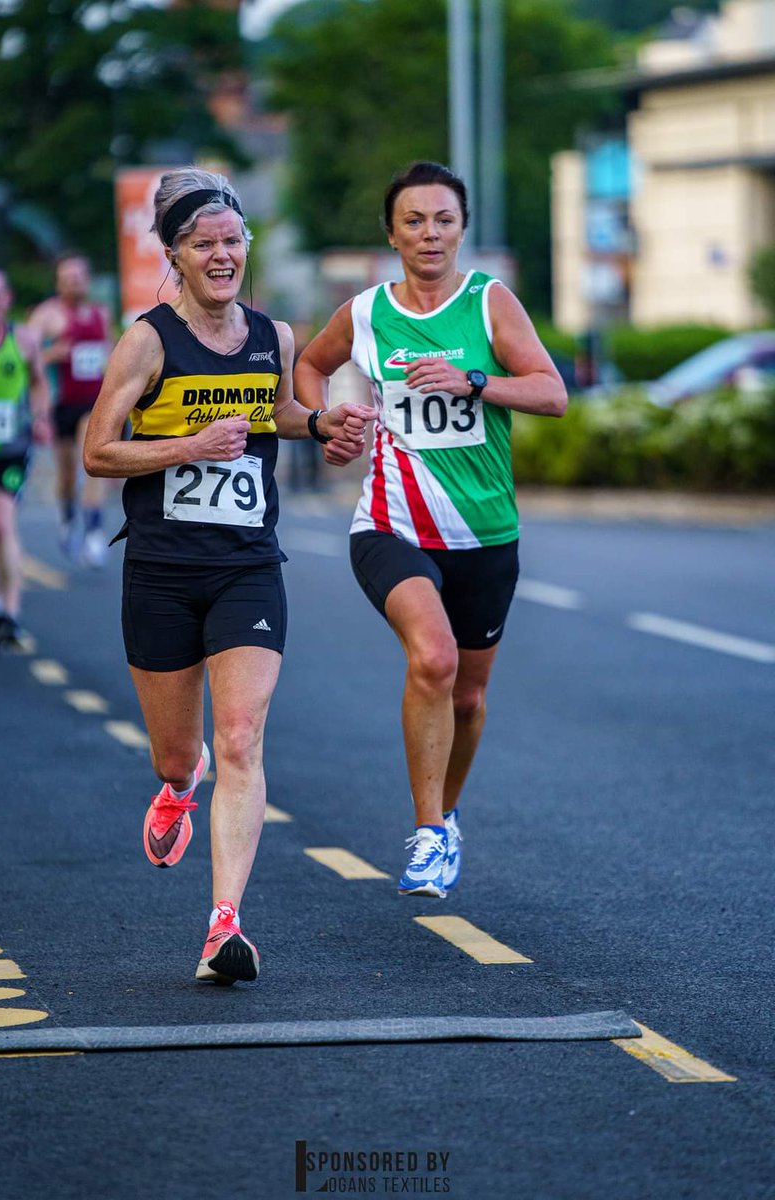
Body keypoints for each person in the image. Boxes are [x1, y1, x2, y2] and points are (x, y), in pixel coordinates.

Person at [83, 167, 374, 984]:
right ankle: (180, 783)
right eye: (203, 244)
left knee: (242, 736)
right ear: (174, 254)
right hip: (162, 571)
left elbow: (273, 410)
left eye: (232, 241)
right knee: (182, 756)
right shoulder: (146, 341)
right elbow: (97, 451)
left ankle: (224, 927)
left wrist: (321, 423)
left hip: (248, 564)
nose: (222, 255)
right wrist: (187, 446)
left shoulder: (272, 336)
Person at [294, 161, 567, 898]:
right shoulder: (366, 311)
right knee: (434, 659)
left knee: (470, 698)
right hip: (390, 524)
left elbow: (552, 392)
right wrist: (328, 425)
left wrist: (474, 381)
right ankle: (426, 833)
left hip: (485, 532)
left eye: (443, 219)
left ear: (462, 229)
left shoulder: (490, 304)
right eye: (413, 220)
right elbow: (310, 366)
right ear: (391, 233)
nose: (429, 233)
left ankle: (445, 819)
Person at [0, 269, 51, 654]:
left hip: (10, 449)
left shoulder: (22, 340)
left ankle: (12, 613)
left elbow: (39, 382)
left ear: (7, 299)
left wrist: (39, 418)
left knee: (3, 524)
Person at [29, 253, 112, 566]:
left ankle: (93, 531)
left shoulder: (99, 314)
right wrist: (54, 352)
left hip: (93, 402)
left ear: (87, 280)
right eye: (67, 278)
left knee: (89, 461)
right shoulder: (47, 316)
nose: (73, 284)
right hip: (61, 403)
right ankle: (67, 517)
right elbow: (28, 355)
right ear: (58, 283)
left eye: (78, 278)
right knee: (66, 475)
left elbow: (109, 352)